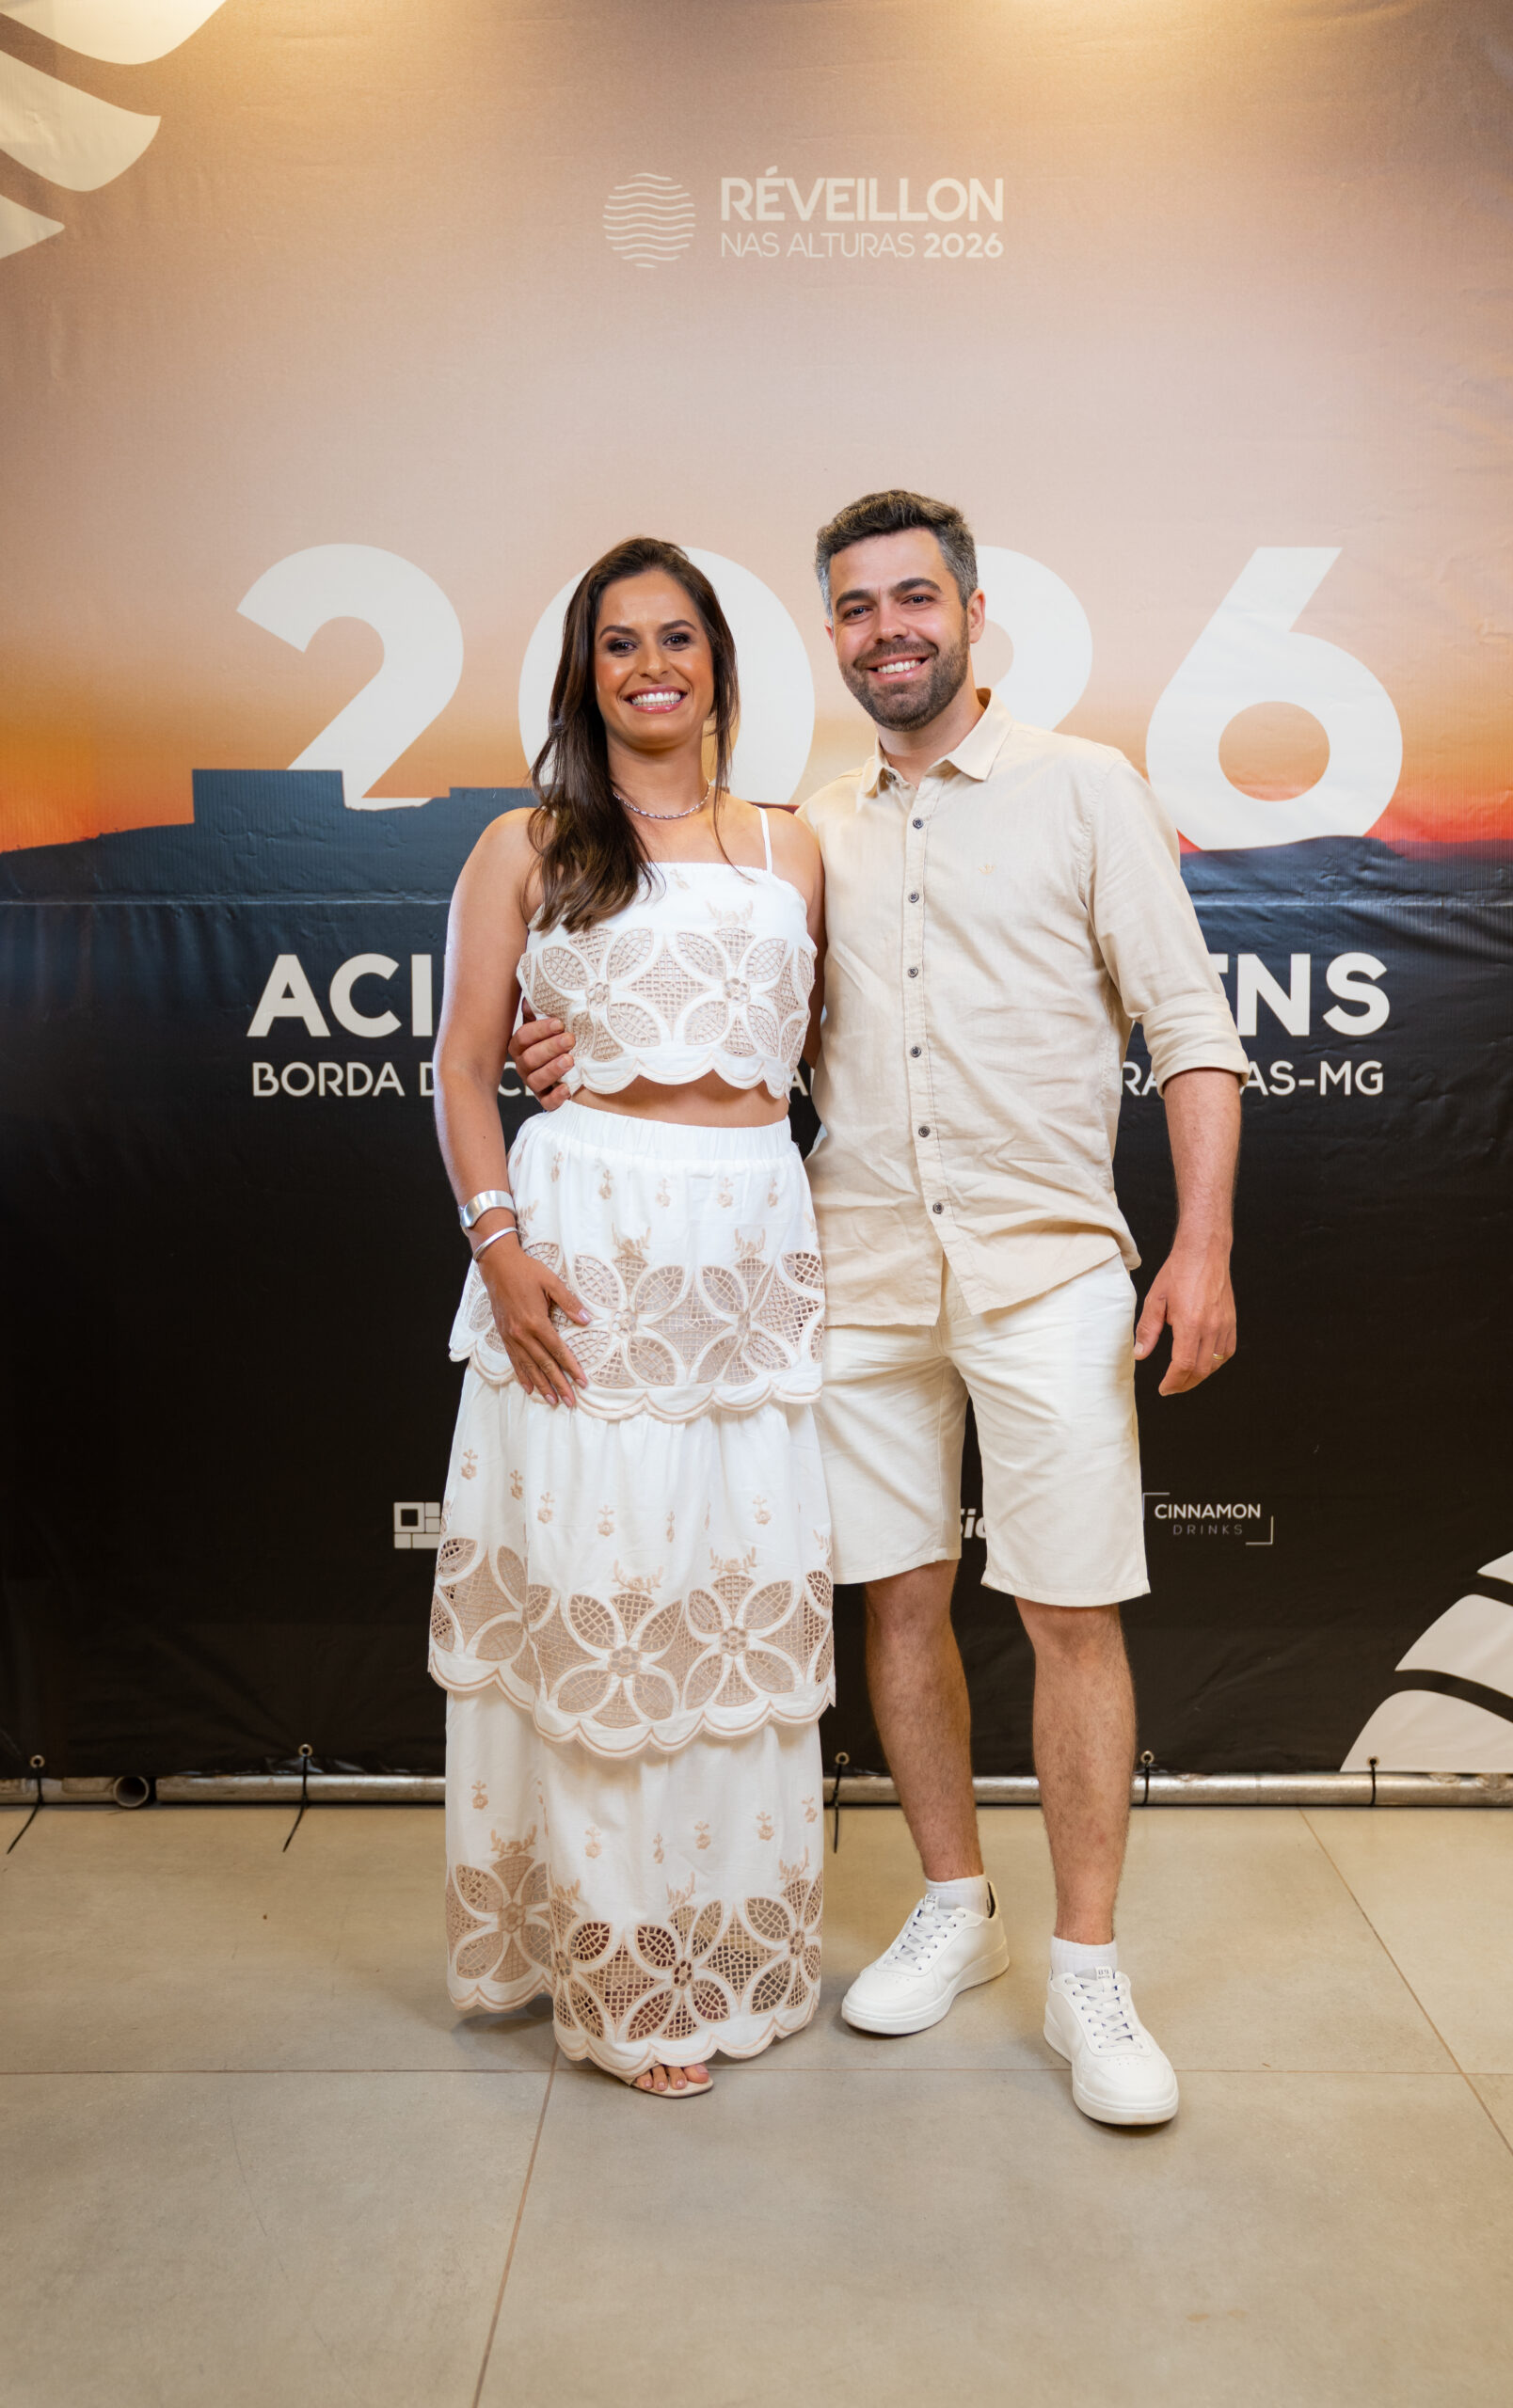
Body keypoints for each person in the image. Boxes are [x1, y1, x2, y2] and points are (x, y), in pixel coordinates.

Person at [515, 492, 1249, 2127]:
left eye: (914, 599)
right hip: (852, 1274)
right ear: (830, 636)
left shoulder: (1086, 786)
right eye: (855, 607)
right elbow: (707, 1002)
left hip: (1048, 1267)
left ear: (973, 615)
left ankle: (1088, 1969)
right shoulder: (807, 832)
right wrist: (564, 1040)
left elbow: (1193, 1029)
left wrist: (1200, 1245)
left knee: (1071, 1613)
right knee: (897, 1604)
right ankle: (953, 1908)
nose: (886, 629)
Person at [430, 536, 830, 2097]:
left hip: (749, 1245)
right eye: (618, 641)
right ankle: (621, 1982)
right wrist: (500, 1248)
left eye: (676, 636)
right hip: (587, 1236)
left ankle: (724, 1945)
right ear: (583, 674)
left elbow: (815, 1048)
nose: (650, 664)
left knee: (724, 1603)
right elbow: (467, 1066)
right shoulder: (526, 843)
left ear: (720, 662)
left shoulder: (794, 846)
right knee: (610, 1604)